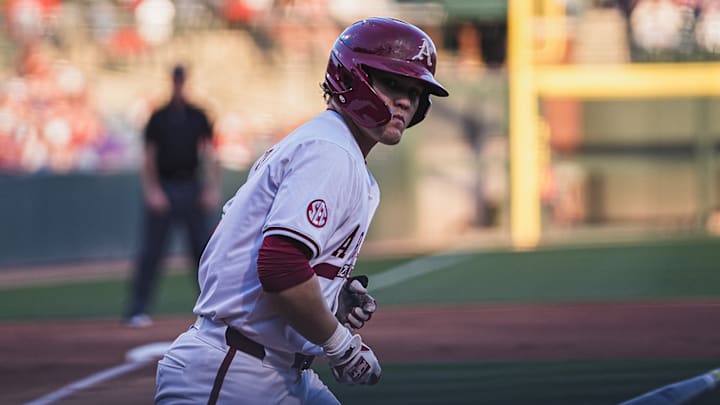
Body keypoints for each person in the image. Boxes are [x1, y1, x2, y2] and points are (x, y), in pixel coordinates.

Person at [154, 17, 448, 404]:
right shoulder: (331, 150)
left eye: (415, 91)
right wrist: (341, 345)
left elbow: (285, 265)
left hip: (273, 369)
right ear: (353, 78)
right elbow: (280, 266)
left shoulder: (333, 145)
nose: (406, 101)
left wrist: (333, 296)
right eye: (392, 83)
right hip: (234, 373)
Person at [125, 64, 221, 327]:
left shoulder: (199, 115)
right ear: (172, 82)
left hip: (192, 187)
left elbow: (210, 155)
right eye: (176, 81)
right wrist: (152, 190)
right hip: (166, 188)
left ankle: (213, 309)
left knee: (203, 253)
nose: (179, 86)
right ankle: (137, 309)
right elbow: (148, 158)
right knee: (152, 252)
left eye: (182, 81)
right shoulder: (159, 117)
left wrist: (211, 188)